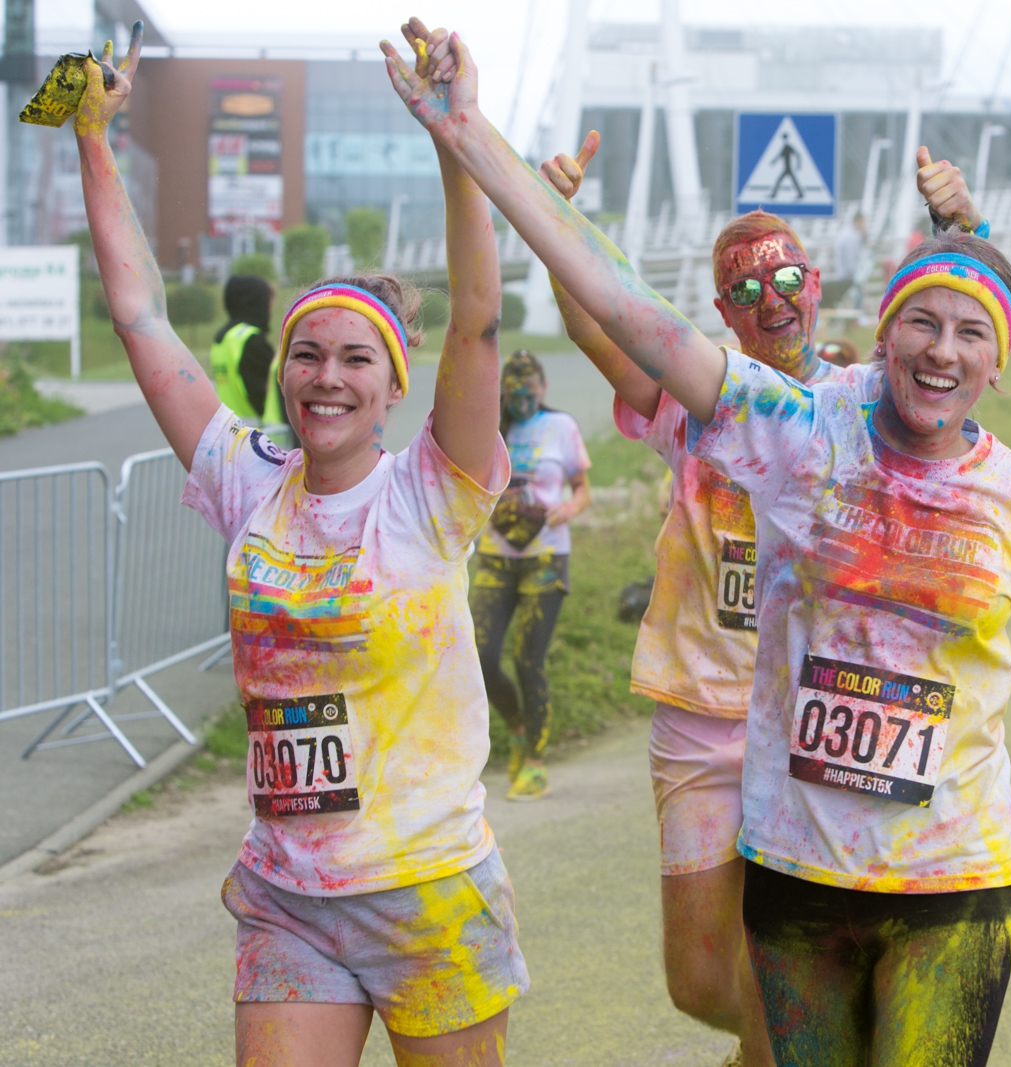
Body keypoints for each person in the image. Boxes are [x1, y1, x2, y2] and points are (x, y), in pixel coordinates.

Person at [406, 33, 1011, 1065]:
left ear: (997, 358)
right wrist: (466, 135)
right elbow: (627, 310)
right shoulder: (796, 428)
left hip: (956, 880)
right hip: (795, 866)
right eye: (920, 325)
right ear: (883, 336)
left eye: (970, 332)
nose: (943, 348)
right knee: (721, 997)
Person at [74, 25, 526, 1066]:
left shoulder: (432, 489)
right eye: (307, 352)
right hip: (290, 893)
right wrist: (95, 139)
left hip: (427, 887)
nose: (326, 374)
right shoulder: (247, 478)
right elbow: (141, 315)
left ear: (393, 383)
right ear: (283, 369)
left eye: (355, 358)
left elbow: (477, 324)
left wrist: (455, 142)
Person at [536, 132, 976, 1065]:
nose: (769, 301)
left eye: (785, 280)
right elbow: (591, 324)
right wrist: (560, 219)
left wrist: (955, 220)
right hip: (701, 712)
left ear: (815, 285)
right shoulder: (689, 401)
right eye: (744, 288)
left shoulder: (861, 404)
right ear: (721, 310)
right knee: (699, 979)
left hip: (819, 716)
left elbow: (952, 336)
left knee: (799, 966)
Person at [472, 349, 591, 801]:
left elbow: (583, 489)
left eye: (529, 389)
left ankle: (536, 763)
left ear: (543, 388)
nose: (521, 397)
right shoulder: (487, 427)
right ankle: (517, 730)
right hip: (495, 557)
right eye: (513, 390)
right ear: (502, 388)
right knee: (481, 656)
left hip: (546, 556)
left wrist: (568, 509)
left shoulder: (560, 427)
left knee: (528, 659)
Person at [211, 273, 299, 447]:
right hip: (259, 437)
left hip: (230, 434)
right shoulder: (251, 340)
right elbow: (266, 392)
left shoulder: (222, 340)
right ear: (257, 302)